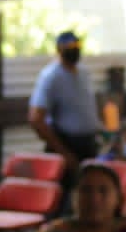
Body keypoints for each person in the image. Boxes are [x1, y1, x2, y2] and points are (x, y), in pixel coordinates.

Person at [29, 30, 102, 178]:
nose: (74, 49)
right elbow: (36, 119)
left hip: (88, 145)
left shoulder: (83, 73)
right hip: (66, 145)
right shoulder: (51, 77)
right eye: (69, 46)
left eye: (77, 44)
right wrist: (64, 154)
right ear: (59, 49)